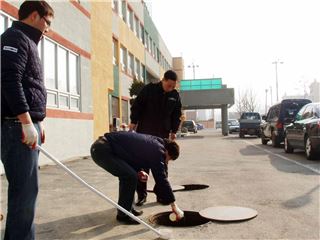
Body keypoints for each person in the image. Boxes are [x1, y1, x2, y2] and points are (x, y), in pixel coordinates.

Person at [1, 1, 54, 239]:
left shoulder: (25, 41)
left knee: (25, 193)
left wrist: (35, 122)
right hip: (15, 126)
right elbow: (9, 80)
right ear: (35, 16)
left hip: (21, 125)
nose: (48, 29)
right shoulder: (15, 38)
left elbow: (27, 85)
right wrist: (25, 121)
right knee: (24, 194)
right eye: (47, 22)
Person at [90, 131, 184, 224]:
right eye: (169, 159)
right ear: (167, 151)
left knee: (132, 175)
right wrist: (174, 204)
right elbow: (161, 178)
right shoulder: (158, 150)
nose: (166, 162)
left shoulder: (155, 143)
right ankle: (124, 215)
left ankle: (128, 208)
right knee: (129, 176)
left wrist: (139, 171)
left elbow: (133, 154)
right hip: (102, 150)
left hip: (106, 147)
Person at [129, 70, 182, 206]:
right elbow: (137, 106)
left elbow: (177, 114)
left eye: (173, 86)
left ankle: (161, 194)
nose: (171, 88)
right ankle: (141, 195)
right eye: (169, 85)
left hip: (163, 135)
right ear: (163, 80)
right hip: (145, 133)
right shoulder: (149, 90)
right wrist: (133, 122)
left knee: (162, 167)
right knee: (143, 166)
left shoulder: (175, 95)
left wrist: (174, 131)